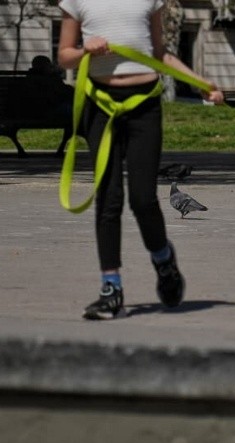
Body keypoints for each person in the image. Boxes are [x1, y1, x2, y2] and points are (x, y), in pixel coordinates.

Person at [58, 0, 224, 320]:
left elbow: (160, 53)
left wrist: (201, 84)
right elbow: (64, 54)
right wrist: (84, 50)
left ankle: (164, 263)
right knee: (108, 197)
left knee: (143, 198)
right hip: (100, 105)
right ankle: (111, 288)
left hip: (144, 107)